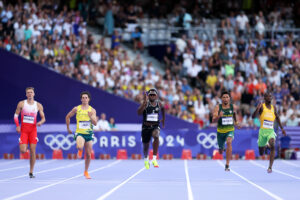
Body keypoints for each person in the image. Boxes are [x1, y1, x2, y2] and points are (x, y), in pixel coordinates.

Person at [14, 87, 46, 178]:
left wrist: (40, 122)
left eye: (31, 92)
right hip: (24, 130)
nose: (30, 94)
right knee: (23, 150)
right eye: (28, 93)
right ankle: (25, 144)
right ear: (26, 94)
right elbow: (16, 116)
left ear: (34, 94)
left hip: (33, 131)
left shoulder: (38, 105)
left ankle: (31, 172)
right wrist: (17, 125)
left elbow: (43, 118)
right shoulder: (21, 103)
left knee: (33, 151)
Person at [252, 92, 286, 173]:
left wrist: (282, 128)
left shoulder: (274, 107)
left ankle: (270, 167)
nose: (270, 97)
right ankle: (265, 145)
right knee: (261, 153)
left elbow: (277, 118)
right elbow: (253, 117)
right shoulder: (262, 107)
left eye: (271, 96)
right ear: (264, 98)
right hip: (262, 132)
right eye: (268, 96)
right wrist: (257, 108)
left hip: (271, 131)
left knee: (273, 145)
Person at [66, 91, 97, 179]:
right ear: (81, 99)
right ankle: (80, 150)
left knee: (88, 154)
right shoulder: (76, 109)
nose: (84, 99)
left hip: (89, 134)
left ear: (89, 99)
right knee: (80, 146)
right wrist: (68, 128)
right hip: (79, 133)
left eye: (86, 97)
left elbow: (95, 123)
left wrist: (91, 117)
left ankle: (86, 171)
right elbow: (67, 117)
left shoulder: (92, 110)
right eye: (83, 98)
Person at [212, 90, 241, 171]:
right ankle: (222, 148)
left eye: (227, 97)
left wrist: (237, 122)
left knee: (229, 142)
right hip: (220, 132)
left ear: (229, 98)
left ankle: (227, 165)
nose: (225, 99)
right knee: (220, 151)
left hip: (230, 130)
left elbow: (234, 114)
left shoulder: (233, 106)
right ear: (221, 99)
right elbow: (213, 120)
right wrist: (219, 116)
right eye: (224, 97)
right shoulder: (218, 107)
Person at [137, 88, 165, 169]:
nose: (152, 96)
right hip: (146, 126)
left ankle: (154, 159)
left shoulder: (159, 104)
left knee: (156, 136)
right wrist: (144, 103)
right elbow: (138, 113)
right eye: (151, 95)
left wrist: (163, 119)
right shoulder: (145, 103)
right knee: (146, 145)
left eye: (154, 95)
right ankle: (146, 159)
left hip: (155, 125)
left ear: (156, 96)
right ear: (148, 96)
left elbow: (163, 109)